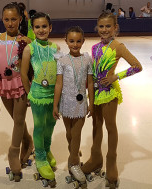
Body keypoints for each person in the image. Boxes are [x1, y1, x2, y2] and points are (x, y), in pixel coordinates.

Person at [81, 12, 142, 189]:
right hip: (96, 93)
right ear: (97, 28)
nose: (105, 30)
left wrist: (116, 77)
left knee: (110, 126)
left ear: (115, 28)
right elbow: (93, 70)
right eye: (101, 26)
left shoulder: (118, 46)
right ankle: (95, 158)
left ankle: (111, 162)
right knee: (95, 125)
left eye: (108, 26)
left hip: (109, 93)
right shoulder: (94, 48)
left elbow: (137, 66)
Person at [0, 2, 33, 182]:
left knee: (18, 120)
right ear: (2, 19)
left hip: (20, 83)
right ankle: (28, 141)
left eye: (14, 19)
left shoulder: (26, 41)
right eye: (7, 19)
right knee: (16, 119)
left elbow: (31, 67)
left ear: (20, 19)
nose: (10, 23)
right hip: (2, 84)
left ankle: (13, 153)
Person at [52, 26, 94, 188]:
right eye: (71, 41)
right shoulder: (61, 61)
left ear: (83, 41)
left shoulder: (87, 60)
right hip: (66, 103)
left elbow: (89, 83)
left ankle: (74, 163)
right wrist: (55, 105)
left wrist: (91, 103)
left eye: (78, 41)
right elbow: (58, 84)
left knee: (76, 135)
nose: (75, 45)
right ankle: (74, 151)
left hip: (81, 102)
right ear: (66, 41)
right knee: (69, 134)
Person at [21, 12, 59, 187]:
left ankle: (47, 149)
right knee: (39, 126)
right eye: (37, 27)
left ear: (50, 28)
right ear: (33, 29)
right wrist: (29, 93)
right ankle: (41, 158)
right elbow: (23, 73)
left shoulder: (56, 48)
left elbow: (60, 72)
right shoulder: (30, 48)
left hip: (53, 94)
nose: (41, 30)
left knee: (50, 125)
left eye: (44, 26)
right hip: (37, 94)